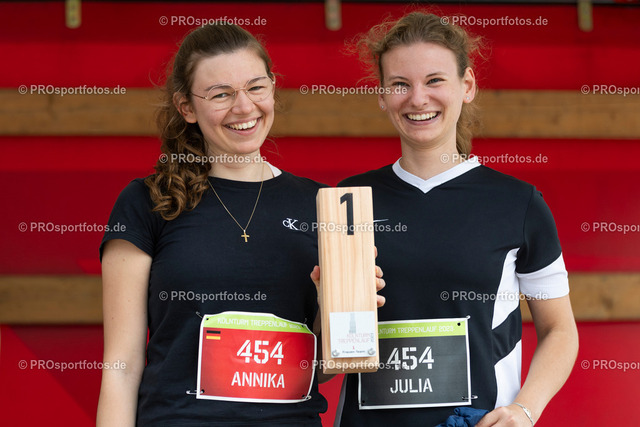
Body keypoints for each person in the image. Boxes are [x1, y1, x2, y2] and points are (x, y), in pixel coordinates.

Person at [335, 12, 579, 426]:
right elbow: (327, 355)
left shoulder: (518, 203)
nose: (417, 99)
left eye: (434, 80)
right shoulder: (348, 201)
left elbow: (560, 330)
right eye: (400, 84)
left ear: (467, 86)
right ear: (382, 95)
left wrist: (524, 410)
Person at [96, 23, 339, 426]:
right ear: (186, 107)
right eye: (221, 94)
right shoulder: (147, 201)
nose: (244, 107)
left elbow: (323, 368)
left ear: (273, 88)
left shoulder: (322, 205)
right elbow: (121, 366)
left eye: (256, 87)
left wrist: (341, 309)